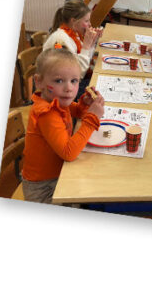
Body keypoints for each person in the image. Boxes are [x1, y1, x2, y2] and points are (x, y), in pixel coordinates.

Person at [20, 48, 105, 203]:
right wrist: (92, 118)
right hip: (43, 188)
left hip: (58, 174)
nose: (69, 88)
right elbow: (68, 153)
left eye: (74, 81)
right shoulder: (46, 112)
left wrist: (84, 105)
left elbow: (77, 112)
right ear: (38, 82)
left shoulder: (56, 99)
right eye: (59, 81)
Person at [42, 0, 102, 78]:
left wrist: (92, 43)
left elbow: (86, 63)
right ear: (73, 21)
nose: (90, 25)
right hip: (57, 85)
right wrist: (86, 46)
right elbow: (78, 73)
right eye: (86, 21)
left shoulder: (75, 34)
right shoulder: (60, 40)